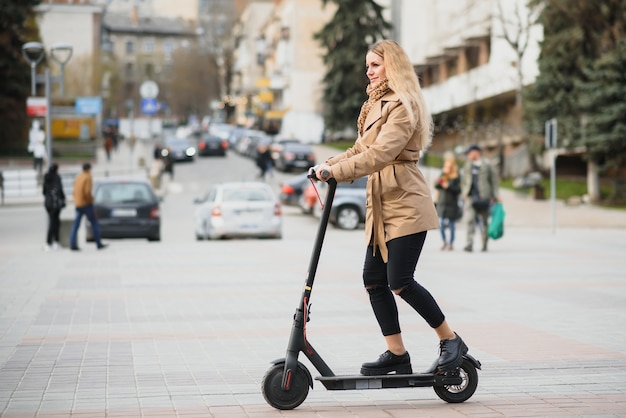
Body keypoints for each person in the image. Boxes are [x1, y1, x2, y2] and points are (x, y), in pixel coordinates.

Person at [313, 40, 468, 376]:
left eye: (375, 65)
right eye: (367, 66)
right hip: (381, 203)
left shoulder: (404, 104)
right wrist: (327, 164)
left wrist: (336, 172)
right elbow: (360, 149)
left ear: (392, 66)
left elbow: (382, 153)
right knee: (373, 279)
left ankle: (450, 339)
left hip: (406, 201)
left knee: (400, 280)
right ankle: (397, 354)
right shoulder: (374, 103)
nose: (368, 71)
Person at [461, 144, 499, 252]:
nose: (468, 155)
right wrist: (464, 193)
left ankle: (484, 244)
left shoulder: (487, 164)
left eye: (469, 153)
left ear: (476, 152)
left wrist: (495, 196)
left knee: (485, 223)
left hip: (484, 197)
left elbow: (493, 182)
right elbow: (464, 180)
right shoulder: (467, 165)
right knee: (469, 221)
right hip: (471, 197)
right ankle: (469, 244)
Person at [69, 163, 107, 251]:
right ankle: (98, 243)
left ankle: (72, 244)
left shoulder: (78, 177)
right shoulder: (88, 177)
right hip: (86, 204)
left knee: (76, 225)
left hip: (78, 204)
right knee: (94, 223)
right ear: (89, 169)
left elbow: (74, 191)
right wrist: (91, 201)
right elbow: (87, 192)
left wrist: (77, 201)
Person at [434, 152, 461, 251]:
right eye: (446, 166)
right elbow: (436, 186)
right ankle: (444, 241)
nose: (448, 168)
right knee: (440, 223)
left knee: (452, 225)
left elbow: (458, 190)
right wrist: (442, 177)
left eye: (449, 166)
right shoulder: (443, 174)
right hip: (442, 203)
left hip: (452, 204)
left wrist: (448, 186)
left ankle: (451, 243)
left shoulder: (456, 176)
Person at [42, 163, 66, 251]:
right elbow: (60, 190)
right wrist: (63, 198)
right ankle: (51, 242)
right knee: (54, 223)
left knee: (54, 222)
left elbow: (44, 191)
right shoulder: (56, 177)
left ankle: (54, 242)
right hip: (55, 204)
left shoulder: (46, 177)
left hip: (48, 203)